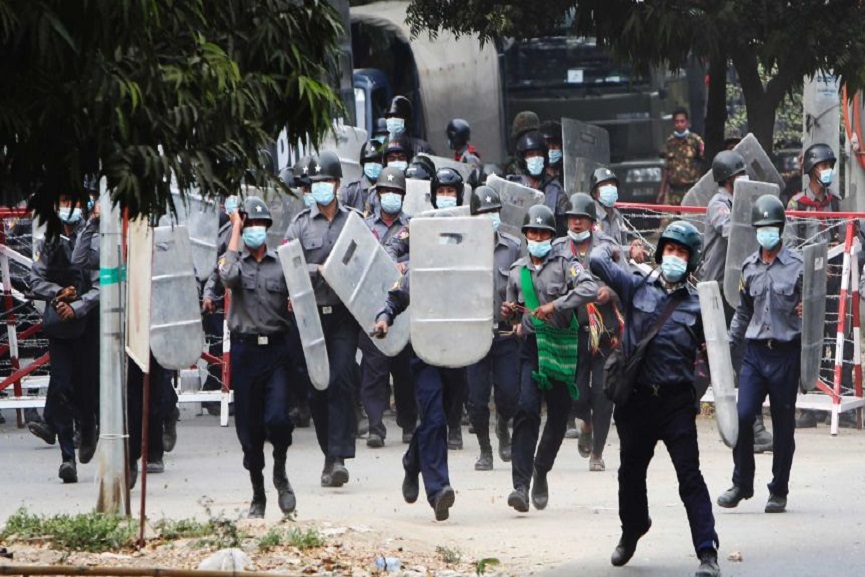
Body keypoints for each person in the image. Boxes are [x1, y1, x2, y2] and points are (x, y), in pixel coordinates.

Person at [589, 220, 720, 577]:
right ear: (660, 252)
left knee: (689, 477)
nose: (674, 257)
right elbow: (597, 262)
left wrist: (697, 388)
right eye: (670, 250)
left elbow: (720, 355)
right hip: (636, 400)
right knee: (630, 473)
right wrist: (615, 249)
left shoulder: (699, 305)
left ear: (690, 262)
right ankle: (632, 531)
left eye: (681, 253)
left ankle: (707, 552)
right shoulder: (635, 287)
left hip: (676, 402)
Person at [500, 205, 599, 512]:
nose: (538, 238)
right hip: (531, 347)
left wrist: (556, 304)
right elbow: (511, 308)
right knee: (526, 410)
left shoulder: (567, 264)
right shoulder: (516, 271)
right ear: (526, 236)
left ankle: (541, 469)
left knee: (558, 416)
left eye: (544, 233)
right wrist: (509, 315)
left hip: (563, 346)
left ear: (551, 237)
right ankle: (521, 484)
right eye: (533, 233)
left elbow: (589, 288)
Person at [717, 195, 803, 515]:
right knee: (743, 416)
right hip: (754, 353)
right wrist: (727, 344)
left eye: (771, 227)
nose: (765, 233)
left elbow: (813, 308)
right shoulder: (748, 267)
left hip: (785, 354)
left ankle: (778, 490)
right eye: (760, 228)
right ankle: (742, 483)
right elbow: (743, 311)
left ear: (780, 229)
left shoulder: (798, 267)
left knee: (783, 426)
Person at [284, 151, 360, 487]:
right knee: (317, 386)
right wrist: (316, 273)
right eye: (315, 183)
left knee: (342, 378)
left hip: (343, 314)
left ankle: (339, 455)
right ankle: (328, 453)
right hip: (311, 316)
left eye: (326, 182)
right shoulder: (299, 224)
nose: (321, 188)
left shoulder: (353, 221)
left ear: (338, 184)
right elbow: (289, 265)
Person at [219, 196, 296, 518]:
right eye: (249, 225)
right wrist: (235, 226)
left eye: (258, 225)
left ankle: (280, 468)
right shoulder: (235, 262)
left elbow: (300, 299)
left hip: (276, 350)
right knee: (249, 434)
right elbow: (227, 277)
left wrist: (295, 304)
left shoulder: (282, 264)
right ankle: (258, 494)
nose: (254, 231)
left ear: (267, 228)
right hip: (246, 351)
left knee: (278, 419)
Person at [700, 149, 773, 452]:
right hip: (719, 291)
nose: (743, 180)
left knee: (741, 356)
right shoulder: (719, 205)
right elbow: (732, 230)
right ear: (728, 181)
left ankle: (751, 427)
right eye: (738, 176)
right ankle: (750, 427)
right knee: (728, 359)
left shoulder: (737, 202)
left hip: (735, 289)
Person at [371, 274, 456, 522]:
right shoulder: (419, 267)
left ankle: (412, 461)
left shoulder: (467, 265)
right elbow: (395, 299)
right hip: (425, 352)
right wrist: (384, 318)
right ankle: (438, 490)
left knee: (441, 417)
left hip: (459, 352)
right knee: (434, 419)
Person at [30, 195, 100, 483]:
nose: (67, 207)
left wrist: (78, 306)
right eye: (62, 201)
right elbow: (35, 280)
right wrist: (59, 294)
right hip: (59, 325)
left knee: (85, 388)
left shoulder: (93, 239)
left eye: (72, 201)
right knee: (60, 386)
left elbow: (101, 284)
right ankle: (66, 458)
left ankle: (88, 427)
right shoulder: (47, 240)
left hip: (87, 324)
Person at [554, 193, 622, 472]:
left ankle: (597, 453)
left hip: (606, 332)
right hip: (573, 331)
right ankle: (586, 423)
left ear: (592, 222)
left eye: (582, 218)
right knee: (577, 395)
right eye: (573, 218)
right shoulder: (558, 248)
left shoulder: (608, 247)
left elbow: (626, 279)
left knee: (603, 395)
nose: (577, 222)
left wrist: (612, 292)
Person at [358, 166, 417, 448]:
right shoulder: (366, 228)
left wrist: (404, 265)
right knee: (374, 370)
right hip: (372, 303)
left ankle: (408, 424)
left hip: (403, 307)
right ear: (378, 194)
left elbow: (422, 259)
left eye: (396, 192)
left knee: (404, 370)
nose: (390, 196)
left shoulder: (413, 227)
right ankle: (375, 427)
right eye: (386, 191)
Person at [466, 186, 521, 471]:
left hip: (504, 332)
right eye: (484, 213)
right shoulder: (462, 247)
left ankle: (503, 426)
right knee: (476, 397)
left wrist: (515, 310)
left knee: (509, 392)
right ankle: (485, 449)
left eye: (494, 212)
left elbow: (522, 287)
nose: (490, 217)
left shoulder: (512, 247)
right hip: (475, 333)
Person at [509, 130, 568, 235]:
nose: (535, 158)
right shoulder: (512, 186)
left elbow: (564, 224)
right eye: (530, 155)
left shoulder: (555, 189)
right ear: (523, 159)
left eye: (539, 154)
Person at [589, 167, 648, 262]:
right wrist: (630, 251)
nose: (609, 188)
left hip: (618, 267)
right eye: (604, 185)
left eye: (612, 185)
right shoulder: (591, 215)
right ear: (595, 193)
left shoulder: (617, 215)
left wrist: (632, 244)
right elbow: (601, 247)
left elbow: (622, 243)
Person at [658, 108, 705, 206]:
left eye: (682, 121)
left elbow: (705, 163)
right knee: (671, 220)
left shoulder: (695, 141)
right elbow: (667, 169)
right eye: (677, 122)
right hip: (674, 193)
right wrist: (662, 191)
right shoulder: (670, 142)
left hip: (691, 190)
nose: (679, 124)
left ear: (687, 123)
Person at [341, 140, 384, 215]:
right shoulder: (351, 190)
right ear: (363, 163)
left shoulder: (387, 191)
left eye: (377, 161)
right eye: (369, 160)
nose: (373, 164)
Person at [539, 120, 563, 185]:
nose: (552, 148)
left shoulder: (568, 174)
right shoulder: (536, 177)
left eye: (555, 144)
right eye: (548, 144)